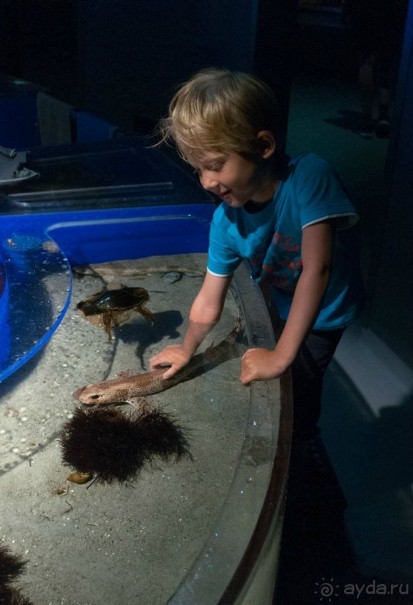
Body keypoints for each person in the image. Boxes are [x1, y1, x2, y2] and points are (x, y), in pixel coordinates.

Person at [150, 67, 365, 451]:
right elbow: (208, 298)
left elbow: (318, 269)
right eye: (197, 169)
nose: (206, 182)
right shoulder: (225, 221)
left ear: (263, 145)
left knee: (300, 388)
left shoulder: (310, 177)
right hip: (279, 299)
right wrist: (186, 348)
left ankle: (302, 447)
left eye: (215, 165)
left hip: (325, 312)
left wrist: (282, 355)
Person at [345, 0, 407, 138]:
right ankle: (383, 116)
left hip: (364, 23)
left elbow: (351, 9)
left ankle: (367, 119)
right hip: (388, 25)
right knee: (384, 70)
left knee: (366, 65)